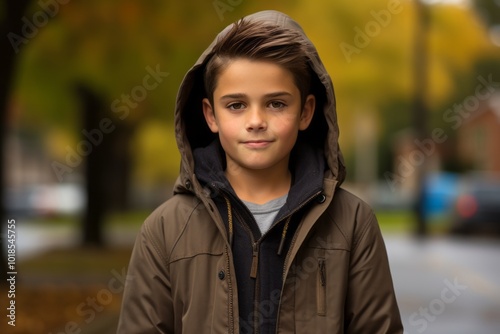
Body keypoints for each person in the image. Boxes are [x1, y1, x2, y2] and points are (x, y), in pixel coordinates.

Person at [117, 10, 403, 334]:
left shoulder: (352, 223)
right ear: (211, 115)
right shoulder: (165, 230)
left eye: (276, 104)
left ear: (306, 111)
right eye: (236, 105)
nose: (256, 121)